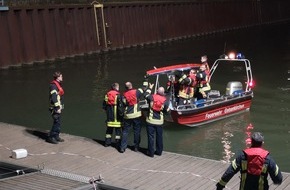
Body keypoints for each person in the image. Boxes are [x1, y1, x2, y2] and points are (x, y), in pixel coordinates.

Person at [216, 132, 283, 190]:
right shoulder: (267, 158)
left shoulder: (242, 156)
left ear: (251, 142)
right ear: (262, 143)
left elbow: (229, 172)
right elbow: (278, 178)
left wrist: (220, 186)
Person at [144, 83, 170, 157]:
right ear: (163, 93)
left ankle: (151, 152)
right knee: (159, 137)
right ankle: (159, 152)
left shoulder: (151, 97)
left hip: (150, 121)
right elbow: (167, 112)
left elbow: (145, 94)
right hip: (159, 122)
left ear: (157, 91)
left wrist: (150, 88)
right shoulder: (165, 101)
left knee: (150, 137)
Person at [119, 82, 144, 153]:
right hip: (136, 115)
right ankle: (136, 147)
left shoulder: (123, 95)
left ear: (125, 87)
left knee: (125, 131)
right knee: (137, 131)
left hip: (128, 115)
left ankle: (122, 147)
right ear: (131, 85)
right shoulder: (137, 91)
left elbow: (124, 104)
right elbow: (143, 90)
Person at [102, 83, 123, 147]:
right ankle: (117, 144)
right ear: (116, 87)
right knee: (118, 133)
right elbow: (120, 107)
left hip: (109, 117)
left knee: (109, 131)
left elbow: (104, 106)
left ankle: (107, 143)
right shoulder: (118, 95)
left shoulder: (107, 95)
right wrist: (122, 115)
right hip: (117, 118)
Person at [47, 71, 65, 144]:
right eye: (61, 76)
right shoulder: (53, 86)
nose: (62, 77)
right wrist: (57, 107)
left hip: (58, 107)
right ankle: (51, 137)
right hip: (54, 108)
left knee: (58, 122)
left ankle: (56, 136)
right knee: (56, 122)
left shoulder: (58, 84)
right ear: (57, 77)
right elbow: (54, 97)